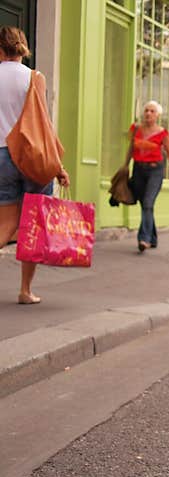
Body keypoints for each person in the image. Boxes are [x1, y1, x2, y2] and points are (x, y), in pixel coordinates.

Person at [0, 25, 70, 305]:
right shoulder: (34, 78)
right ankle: (25, 291)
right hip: (33, 156)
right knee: (33, 225)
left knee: (5, 225)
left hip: (2, 155)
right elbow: (42, 124)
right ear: (22, 48)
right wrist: (59, 166)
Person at [125, 100, 169, 252]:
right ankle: (153, 238)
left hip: (155, 171)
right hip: (138, 170)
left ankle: (144, 239)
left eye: (152, 111)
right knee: (145, 204)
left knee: (148, 203)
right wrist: (125, 166)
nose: (148, 113)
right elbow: (131, 148)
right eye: (146, 110)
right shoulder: (136, 128)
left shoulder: (162, 133)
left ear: (158, 115)